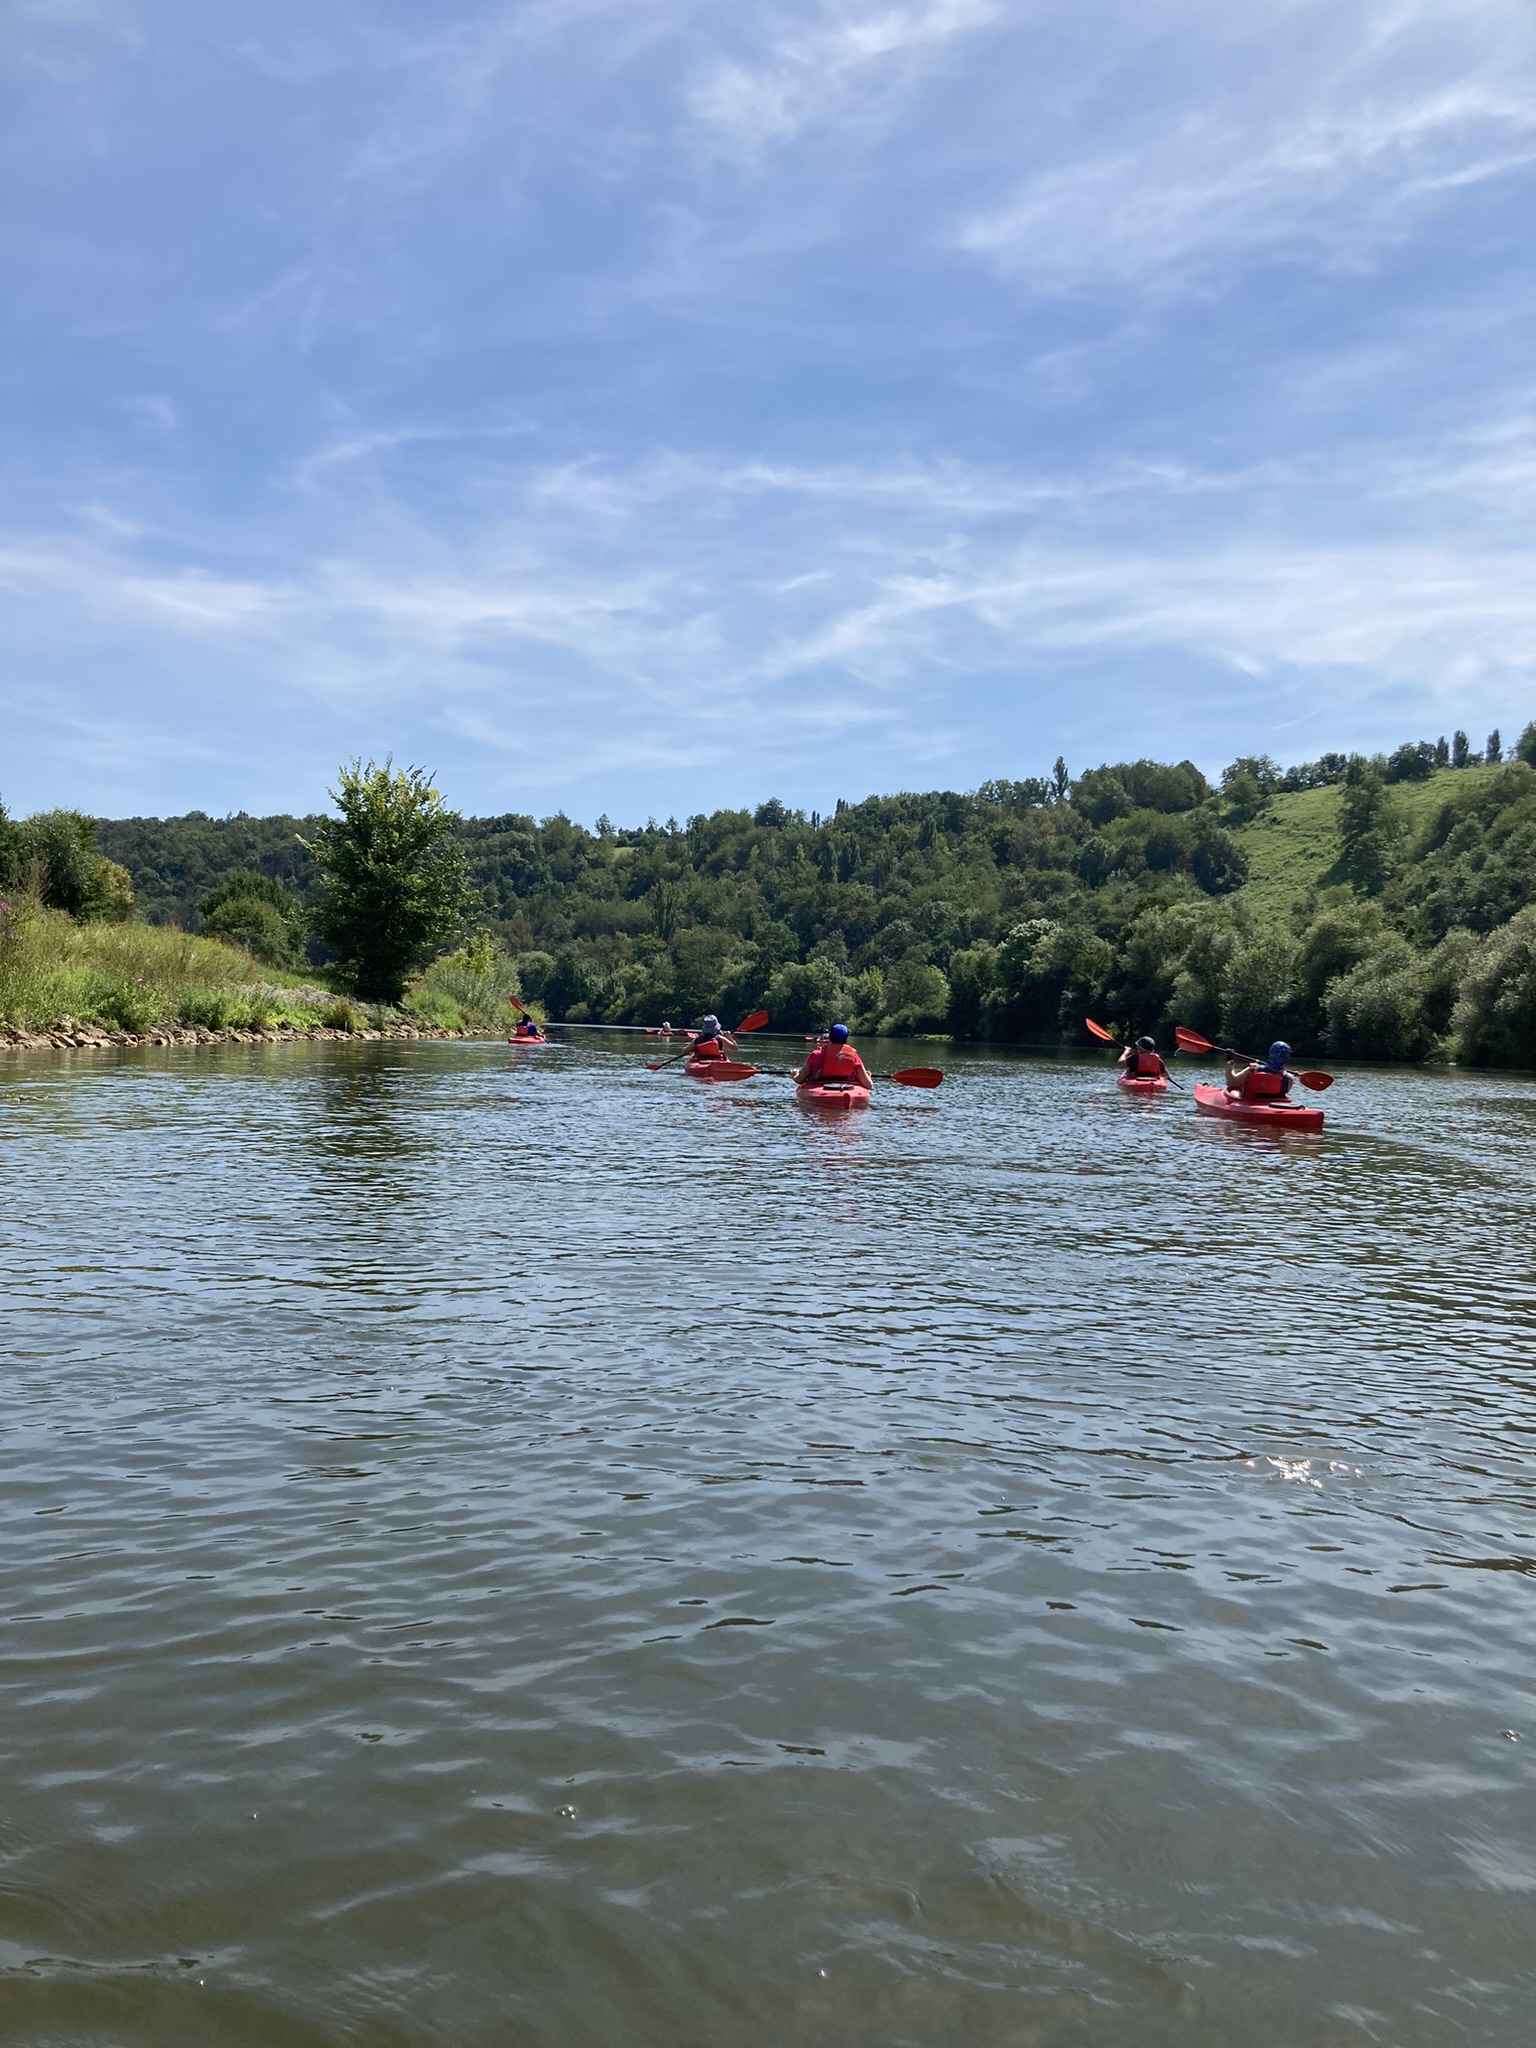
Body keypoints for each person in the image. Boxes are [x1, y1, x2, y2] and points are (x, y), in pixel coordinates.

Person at [794, 1022, 873, 1091]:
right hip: (846, 1088)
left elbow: (800, 1080)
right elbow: (868, 1085)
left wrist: (795, 1075)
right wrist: (868, 1076)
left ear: (830, 1037)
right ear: (846, 1039)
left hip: (819, 1087)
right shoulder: (854, 1056)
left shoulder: (816, 1055)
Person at [1226, 1040, 1293, 1100]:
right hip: (1274, 1107)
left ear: (1270, 1053)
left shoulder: (1253, 1070)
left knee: (1234, 1089)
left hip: (1250, 1104)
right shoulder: (1288, 1078)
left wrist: (1230, 1061)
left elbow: (1231, 1083)